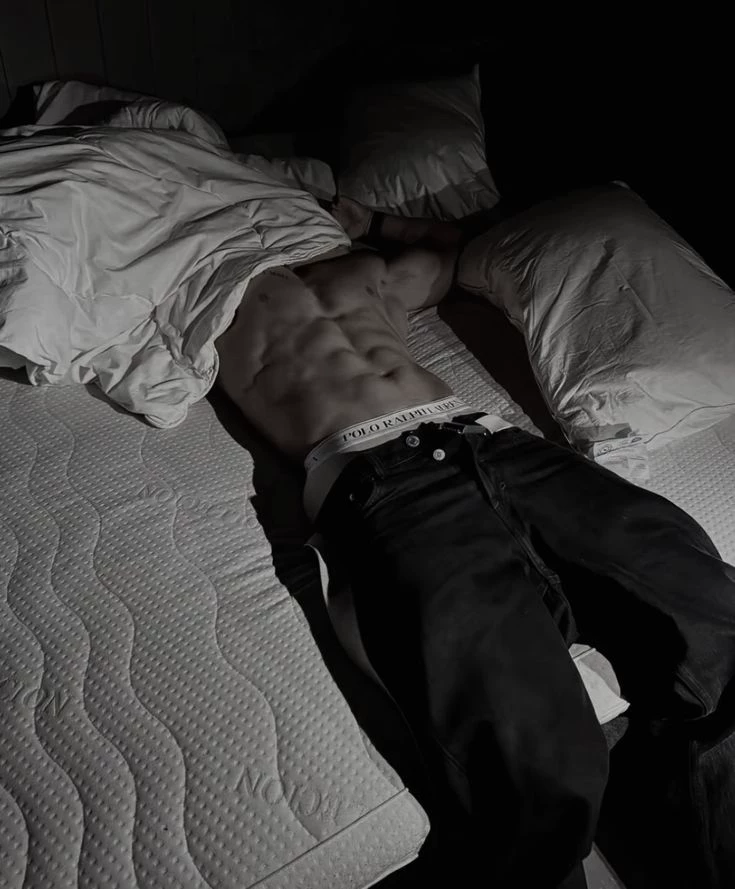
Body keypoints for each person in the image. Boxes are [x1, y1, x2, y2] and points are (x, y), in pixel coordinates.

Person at [215, 197, 735, 889]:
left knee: (719, 629)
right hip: (379, 479)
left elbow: (457, 250)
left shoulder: (361, 268)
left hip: (495, 442)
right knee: (530, 765)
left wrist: (372, 223)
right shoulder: (204, 287)